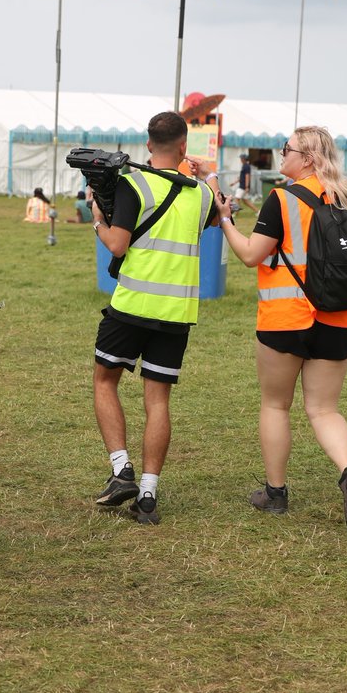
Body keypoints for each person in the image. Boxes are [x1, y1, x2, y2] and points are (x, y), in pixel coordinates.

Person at [215, 126, 347, 533]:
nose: (280, 156)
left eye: (286, 150)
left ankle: (275, 493)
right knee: (324, 409)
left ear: (306, 158)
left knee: (275, 405)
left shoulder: (281, 199)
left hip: (286, 318)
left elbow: (253, 255)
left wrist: (226, 220)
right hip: (338, 318)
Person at [91, 111, 218, 525]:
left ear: (148, 144)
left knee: (105, 379)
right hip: (176, 312)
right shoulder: (199, 194)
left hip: (131, 306)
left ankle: (120, 469)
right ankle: (147, 495)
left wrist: (97, 219)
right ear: (184, 146)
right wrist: (205, 176)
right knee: (157, 400)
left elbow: (117, 244)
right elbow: (217, 212)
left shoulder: (134, 183)